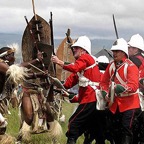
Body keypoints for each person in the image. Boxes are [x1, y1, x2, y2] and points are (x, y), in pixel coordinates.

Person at [51, 35, 105, 144]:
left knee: (74, 123)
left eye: (77, 47)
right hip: (91, 100)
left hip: (90, 99)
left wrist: (59, 62)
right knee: (95, 128)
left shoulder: (85, 57)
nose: (73, 49)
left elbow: (74, 68)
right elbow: (69, 83)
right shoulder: (81, 67)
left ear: (83, 50)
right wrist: (55, 84)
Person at [100, 38, 140, 144]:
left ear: (123, 52)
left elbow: (133, 86)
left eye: (117, 51)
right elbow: (103, 83)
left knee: (126, 131)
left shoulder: (131, 67)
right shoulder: (111, 66)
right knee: (114, 131)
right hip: (115, 105)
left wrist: (117, 88)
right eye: (113, 51)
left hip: (129, 105)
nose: (114, 53)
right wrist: (105, 94)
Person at [128, 34, 144, 144]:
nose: (128, 49)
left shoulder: (136, 59)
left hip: (137, 95)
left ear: (136, 49)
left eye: (130, 48)